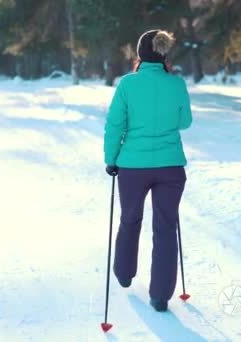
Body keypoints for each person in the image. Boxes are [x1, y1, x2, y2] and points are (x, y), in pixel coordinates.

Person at [103, 29, 192, 312]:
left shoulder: (127, 85)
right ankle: (160, 296)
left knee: (130, 219)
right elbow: (185, 122)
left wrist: (111, 158)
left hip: (132, 167)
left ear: (140, 54)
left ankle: (124, 273)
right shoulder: (177, 84)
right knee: (166, 227)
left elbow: (115, 124)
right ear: (164, 55)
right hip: (170, 167)